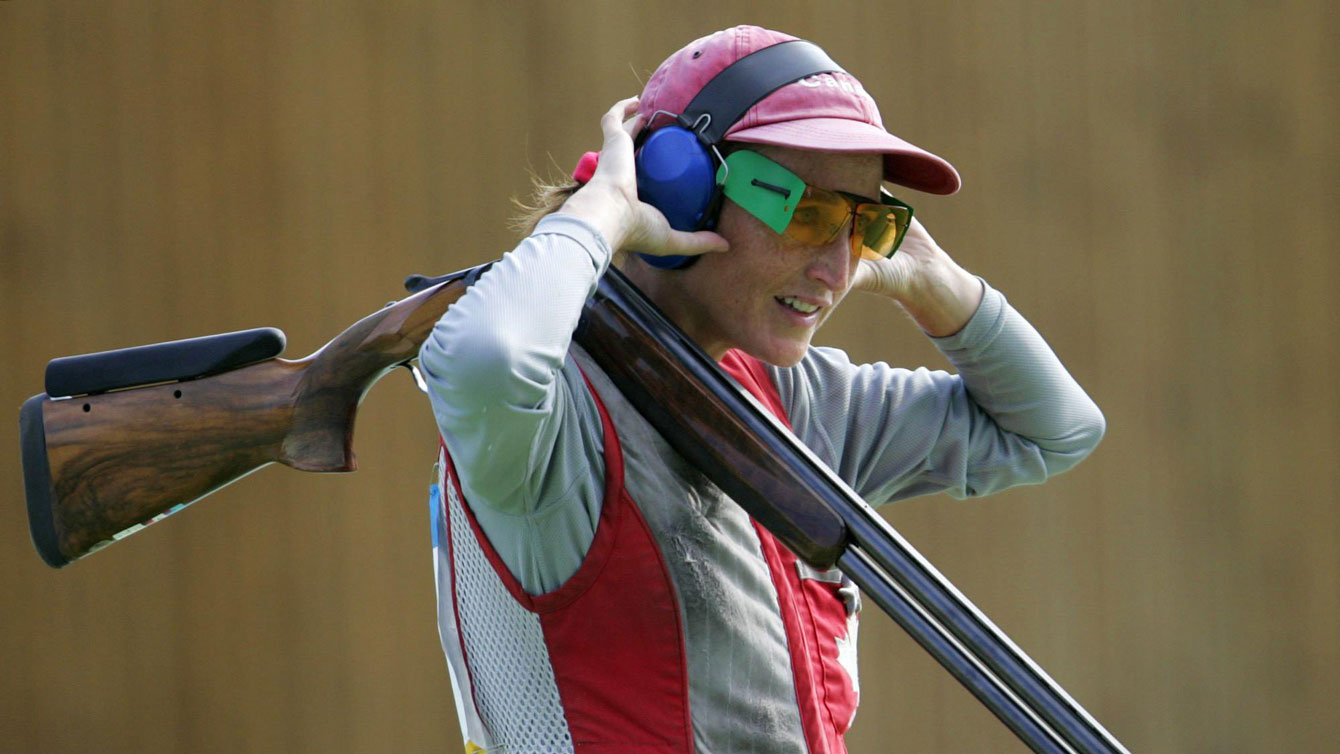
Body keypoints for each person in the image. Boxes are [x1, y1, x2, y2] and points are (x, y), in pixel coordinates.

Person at [419, 25, 1104, 754]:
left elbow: (1053, 430)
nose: (838, 271)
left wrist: (931, 280)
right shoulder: (550, 414)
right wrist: (599, 216)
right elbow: (484, 356)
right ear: (679, 189)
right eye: (808, 215)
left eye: (865, 226)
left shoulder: (791, 398)